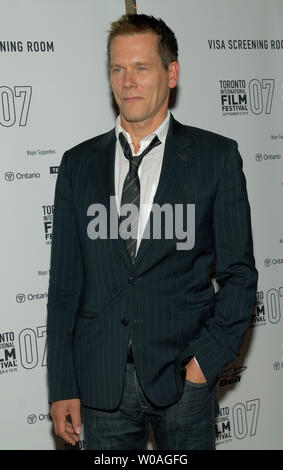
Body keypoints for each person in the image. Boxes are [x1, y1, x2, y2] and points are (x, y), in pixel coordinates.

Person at [47, 14, 258, 450]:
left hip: (183, 382)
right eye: (117, 69)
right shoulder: (78, 166)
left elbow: (240, 277)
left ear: (171, 73)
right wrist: (62, 384)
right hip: (101, 385)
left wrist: (203, 364)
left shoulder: (215, 159)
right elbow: (65, 287)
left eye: (141, 67)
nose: (128, 81)